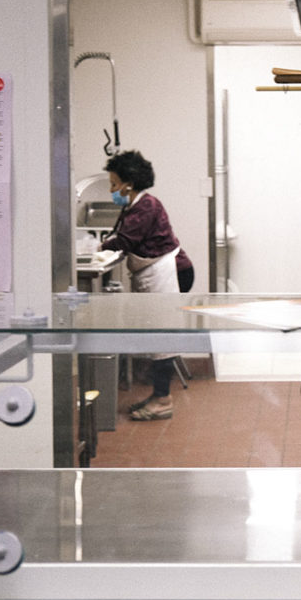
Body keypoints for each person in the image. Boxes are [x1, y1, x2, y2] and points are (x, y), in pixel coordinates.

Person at [100, 149, 194, 421]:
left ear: (128, 183)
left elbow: (125, 240)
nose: (111, 189)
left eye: (114, 184)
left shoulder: (147, 205)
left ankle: (163, 400)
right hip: (154, 272)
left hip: (169, 272)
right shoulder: (135, 204)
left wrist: (100, 246)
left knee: (163, 339)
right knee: (157, 337)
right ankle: (158, 395)